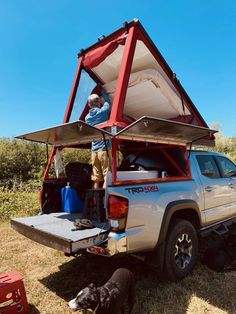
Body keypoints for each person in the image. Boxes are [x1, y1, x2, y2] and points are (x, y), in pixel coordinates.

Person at [85, 90, 111, 189]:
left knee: (96, 178)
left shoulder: (87, 118)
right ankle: (104, 202)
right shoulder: (103, 112)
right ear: (99, 102)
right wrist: (103, 92)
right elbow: (107, 102)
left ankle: (96, 203)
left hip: (94, 151)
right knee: (107, 177)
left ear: (88, 105)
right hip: (104, 149)